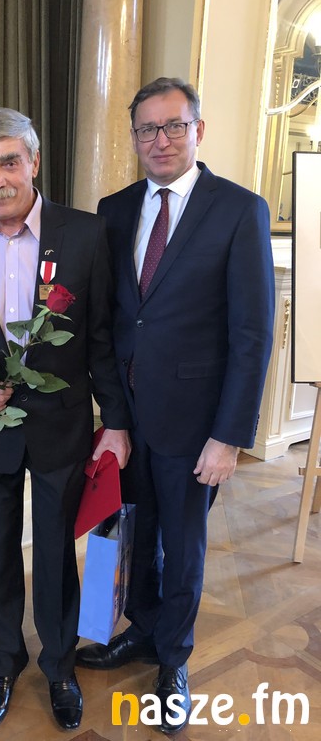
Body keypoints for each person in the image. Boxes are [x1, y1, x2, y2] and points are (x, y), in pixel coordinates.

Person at [75, 77, 275, 734]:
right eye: (147, 129)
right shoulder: (113, 209)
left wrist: (230, 436)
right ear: (134, 137)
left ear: (198, 131)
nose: (160, 140)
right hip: (127, 419)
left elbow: (253, 334)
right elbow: (111, 319)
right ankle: (140, 628)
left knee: (182, 545)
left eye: (173, 126)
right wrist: (111, 415)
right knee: (129, 530)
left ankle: (174, 660)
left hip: (195, 424)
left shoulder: (238, 210)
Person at [0, 107, 132, 731]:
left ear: (34, 163)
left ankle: (59, 667)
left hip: (61, 427)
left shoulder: (86, 234)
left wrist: (116, 422)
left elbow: (100, 338)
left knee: (54, 554)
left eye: (9, 162)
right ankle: (3, 663)